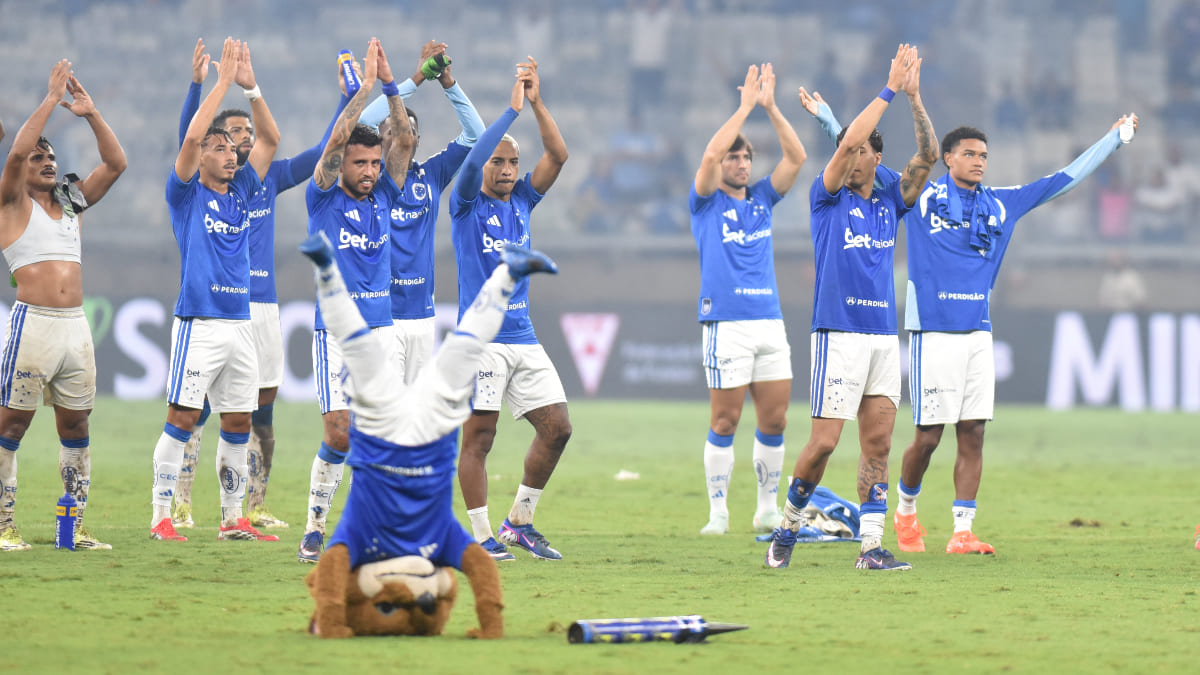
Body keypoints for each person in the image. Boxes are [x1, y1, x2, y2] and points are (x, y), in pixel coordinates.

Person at [804, 86, 1139, 557]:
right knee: (927, 436)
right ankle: (905, 512)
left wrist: (1112, 140)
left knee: (974, 431)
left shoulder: (1003, 203)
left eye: (984, 154)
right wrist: (825, 116)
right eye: (969, 154)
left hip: (977, 331)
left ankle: (962, 531)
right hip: (933, 332)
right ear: (948, 158)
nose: (980, 161)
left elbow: (1064, 179)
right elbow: (857, 153)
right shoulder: (918, 196)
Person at [299, 231, 557, 639]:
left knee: (444, 349)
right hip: (421, 430)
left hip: (398, 429)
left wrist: (331, 623)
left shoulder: (376, 535)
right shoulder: (426, 537)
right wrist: (489, 627)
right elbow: (479, 566)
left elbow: (331, 568)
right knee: (398, 348)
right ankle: (507, 273)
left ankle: (328, 270)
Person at [764, 44, 936, 571]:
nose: (850, 152)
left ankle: (870, 548)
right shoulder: (827, 196)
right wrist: (885, 88)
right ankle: (787, 527)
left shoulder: (890, 199)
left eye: (860, 149)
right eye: (847, 147)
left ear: (875, 159)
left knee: (879, 443)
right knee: (822, 445)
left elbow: (928, 157)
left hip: (883, 336)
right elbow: (846, 141)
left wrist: (913, 95)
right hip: (836, 333)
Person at [171, 39, 353, 531]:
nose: (241, 141)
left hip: (264, 307)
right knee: (199, 408)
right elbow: (186, 142)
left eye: (246, 134)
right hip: (216, 306)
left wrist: (347, 99)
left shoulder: (264, 181)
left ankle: (254, 504)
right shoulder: (205, 183)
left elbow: (324, 152)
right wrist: (200, 86)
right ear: (215, 143)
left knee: (258, 410)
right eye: (232, 135)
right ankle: (181, 500)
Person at [148, 38, 280, 543]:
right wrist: (216, 82)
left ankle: (232, 519)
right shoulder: (185, 193)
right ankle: (162, 516)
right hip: (200, 323)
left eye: (232, 148)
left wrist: (252, 87)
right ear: (200, 154)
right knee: (182, 417)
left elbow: (268, 138)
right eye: (219, 146)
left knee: (239, 421)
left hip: (240, 323)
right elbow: (188, 141)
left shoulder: (245, 188)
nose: (231, 154)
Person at [0, 60, 126, 552]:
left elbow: (116, 166)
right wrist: (51, 100)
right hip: (34, 326)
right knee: (11, 424)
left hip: (74, 328)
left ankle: (73, 528)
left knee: (76, 426)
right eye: (38, 158)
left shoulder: (72, 202)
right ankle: (4, 526)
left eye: (51, 155)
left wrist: (91, 114)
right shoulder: (12, 203)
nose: (46, 161)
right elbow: (13, 154)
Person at [298, 38, 416, 563]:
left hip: (383, 332)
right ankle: (314, 526)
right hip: (337, 332)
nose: (369, 172)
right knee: (339, 432)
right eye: (360, 163)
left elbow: (405, 142)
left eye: (374, 163)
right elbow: (331, 147)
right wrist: (363, 89)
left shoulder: (386, 193)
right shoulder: (321, 196)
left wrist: (393, 88)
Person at [450, 57, 570, 561]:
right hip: (482, 342)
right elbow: (474, 161)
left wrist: (538, 104)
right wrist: (510, 111)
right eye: (496, 162)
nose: (504, 170)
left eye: (510, 163)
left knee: (558, 428)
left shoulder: (522, 200)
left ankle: (519, 521)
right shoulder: (464, 203)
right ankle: (479, 537)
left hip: (522, 336)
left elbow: (559, 155)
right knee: (480, 437)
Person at [690, 63, 808, 536]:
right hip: (727, 325)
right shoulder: (705, 201)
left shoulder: (762, 197)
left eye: (747, 157)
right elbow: (708, 155)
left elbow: (796, 158)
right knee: (725, 418)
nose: (741, 163)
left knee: (775, 419)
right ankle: (718, 511)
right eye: (734, 157)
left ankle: (766, 508)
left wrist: (772, 108)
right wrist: (742, 109)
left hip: (769, 322)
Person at [359, 40, 485, 386]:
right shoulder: (366, 182)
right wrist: (413, 81)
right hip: (382, 315)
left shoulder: (430, 175)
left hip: (422, 316)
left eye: (409, 131)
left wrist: (447, 82)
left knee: (413, 416)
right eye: (392, 131)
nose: (402, 135)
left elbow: (477, 136)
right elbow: (356, 124)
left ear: (418, 138)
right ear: (377, 139)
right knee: (385, 416)